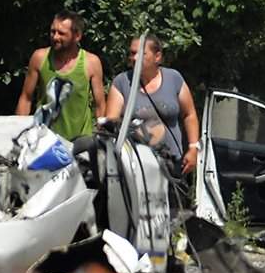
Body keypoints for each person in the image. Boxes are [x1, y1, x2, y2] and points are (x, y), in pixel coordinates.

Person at [103, 35, 203, 177]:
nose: (135, 58)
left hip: (171, 164)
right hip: (136, 167)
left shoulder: (173, 78)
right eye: (132, 53)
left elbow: (189, 114)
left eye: (141, 54)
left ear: (157, 57)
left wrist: (193, 148)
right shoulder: (122, 82)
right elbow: (111, 123)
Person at [14, 10, 104, 142]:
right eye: (53, 31)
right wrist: (19, 133)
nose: (55, 37)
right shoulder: (39, 58)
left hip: (80, 142)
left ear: (77, 36)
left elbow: (100, 105)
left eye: (61, 33)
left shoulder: (91, 63)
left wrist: (101, 138)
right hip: (44, 140)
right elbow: (26, 98)